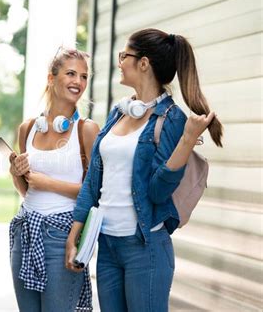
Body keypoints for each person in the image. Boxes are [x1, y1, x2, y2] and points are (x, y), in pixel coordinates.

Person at [65, 28, 224, 311]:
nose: (120, 61)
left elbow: (157, 191)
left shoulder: (172, 119)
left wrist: (187, 141)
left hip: (144, 248)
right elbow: (93, 181)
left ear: (143, 63)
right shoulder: (120, 112)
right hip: (107, 246)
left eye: (124, 55)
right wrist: (75, 233)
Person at [8, 47, 100, 311]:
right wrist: (17, 174)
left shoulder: (87, 130)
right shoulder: (27, 129)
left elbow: (94, 193)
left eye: (83, 77)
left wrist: (48, 183)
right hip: (26, 231)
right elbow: (26, 190)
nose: (78, 82)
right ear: (51, 78)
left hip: (62, 236)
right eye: (71, 74)